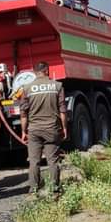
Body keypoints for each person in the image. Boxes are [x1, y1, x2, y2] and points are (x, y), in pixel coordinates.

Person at [18, 61, 68, 197]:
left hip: (34, 130)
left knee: (34, 161)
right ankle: (54, 190)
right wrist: (64, 127)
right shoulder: (57, 86)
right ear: (47, 70)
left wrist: (23, 131)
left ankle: (33, 190)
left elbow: (23, 113)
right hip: (52, 128)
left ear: (34, 72)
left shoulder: (27, 88)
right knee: (53, 160)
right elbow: (62, 110)